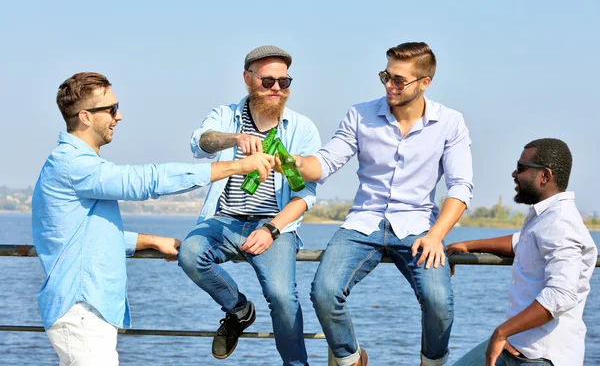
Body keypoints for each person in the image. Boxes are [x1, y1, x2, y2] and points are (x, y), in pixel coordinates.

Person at [32, 72, 275, 366]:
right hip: (82, 310)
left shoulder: (75, 164)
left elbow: (81, 237)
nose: (118, 116)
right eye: (111, 109)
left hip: (87, 310)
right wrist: (237, 166)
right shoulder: (75, 165)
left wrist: (149, 241)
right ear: (85, 116)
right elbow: (146, 180)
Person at [290, 42, 473, 366]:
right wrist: (291, 161)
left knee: (439, 301)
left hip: (418, 228)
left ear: (424, 83)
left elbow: (460, 186)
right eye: (386, 76)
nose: (390, 85)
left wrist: (435, 236)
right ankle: (351, 357)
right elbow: (324, 164)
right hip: (363, 222)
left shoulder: (450, 122)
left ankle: (431, 362)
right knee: (324, 291)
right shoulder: (360, 115)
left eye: (399, 80)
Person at [177, 45, 321, 366]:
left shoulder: (301, 128)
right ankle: (239, 311)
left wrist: (272, 229)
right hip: (224, 220)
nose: (276, 89)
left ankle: (296, 365)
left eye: (284, 83)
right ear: (248, 78)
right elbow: (200, 142)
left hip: (274, 226)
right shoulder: (226, 116)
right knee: (189, 254)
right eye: (267, 81)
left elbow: (305, 194)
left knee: (284, 299)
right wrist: (234, 139)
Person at [448, 138, 597, 366]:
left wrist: (501, 333)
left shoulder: (561, 222)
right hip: (517, 344)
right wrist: (469, 245)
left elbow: (561, 295)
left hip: (541, 357)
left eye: (521, 168)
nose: (513, 174)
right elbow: (521, 243)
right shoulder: (546, 216)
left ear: (545, 176)